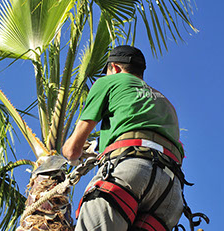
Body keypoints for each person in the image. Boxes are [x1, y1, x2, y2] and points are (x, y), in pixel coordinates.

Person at [62, 45, 186, 231]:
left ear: (116, 68)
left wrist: (71, 154)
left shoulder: (110, 82)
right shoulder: (166, 103)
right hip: (170, 193)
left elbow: (72, 151)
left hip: (130, 172)